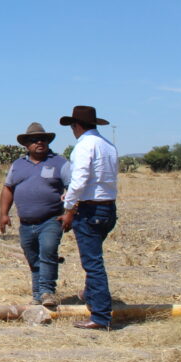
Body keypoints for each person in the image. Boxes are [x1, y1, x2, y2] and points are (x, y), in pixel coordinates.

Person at [59, 105, 119, 330]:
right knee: (94, 260)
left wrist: (69, 207)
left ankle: (100, 316)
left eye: (72, 126)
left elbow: (80, 178)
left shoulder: (85, 145)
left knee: (93, 264)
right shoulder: (108, 145)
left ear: (77, 125)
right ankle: (92, 298)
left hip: (90, 210)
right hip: (108, 207)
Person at [0, 122, 69, 308]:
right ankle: (38, 296)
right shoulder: (18, 165)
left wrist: (71, 212)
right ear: (26, 144)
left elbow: (73, 188)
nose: (39, 142)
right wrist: (4, 214)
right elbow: (8, 189)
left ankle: (47, 291)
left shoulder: (60, 162)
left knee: (48, 252)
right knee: (33, 259)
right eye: (34, 139)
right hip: (26, 223)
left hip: (51, 219)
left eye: (43, 139)